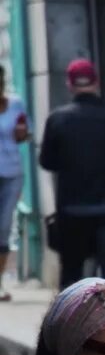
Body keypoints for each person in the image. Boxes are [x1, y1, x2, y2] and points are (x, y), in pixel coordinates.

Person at [38, 59, 105, 288]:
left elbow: (47, 161)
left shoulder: (57, 119)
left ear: (70, 84)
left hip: (71, 208)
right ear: (96, 83)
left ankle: (68, 321)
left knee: (72, 271)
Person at [0, 64, 31, 301]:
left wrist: (22, 132)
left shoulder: (15, 104)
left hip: (11, 173)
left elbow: (25, 135)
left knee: (4, 227)